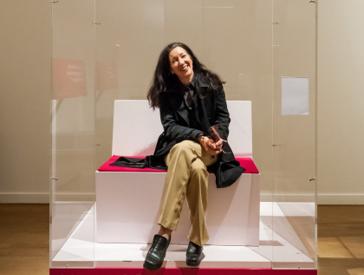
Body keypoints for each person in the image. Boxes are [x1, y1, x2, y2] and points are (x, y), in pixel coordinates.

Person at [143, 42, 243, 270]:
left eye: (183, 56)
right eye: (174, 60)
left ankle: (164, 234)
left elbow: (223, 117)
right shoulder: (167, 92)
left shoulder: (212, 83)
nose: (181, 62)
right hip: (176, 148)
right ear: (170, 69)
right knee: (192, 164)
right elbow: (169, 127)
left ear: (191, 57)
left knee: (190, 155)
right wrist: (199, 137)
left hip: (209, 150)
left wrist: (219, 139)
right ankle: (196, 241)